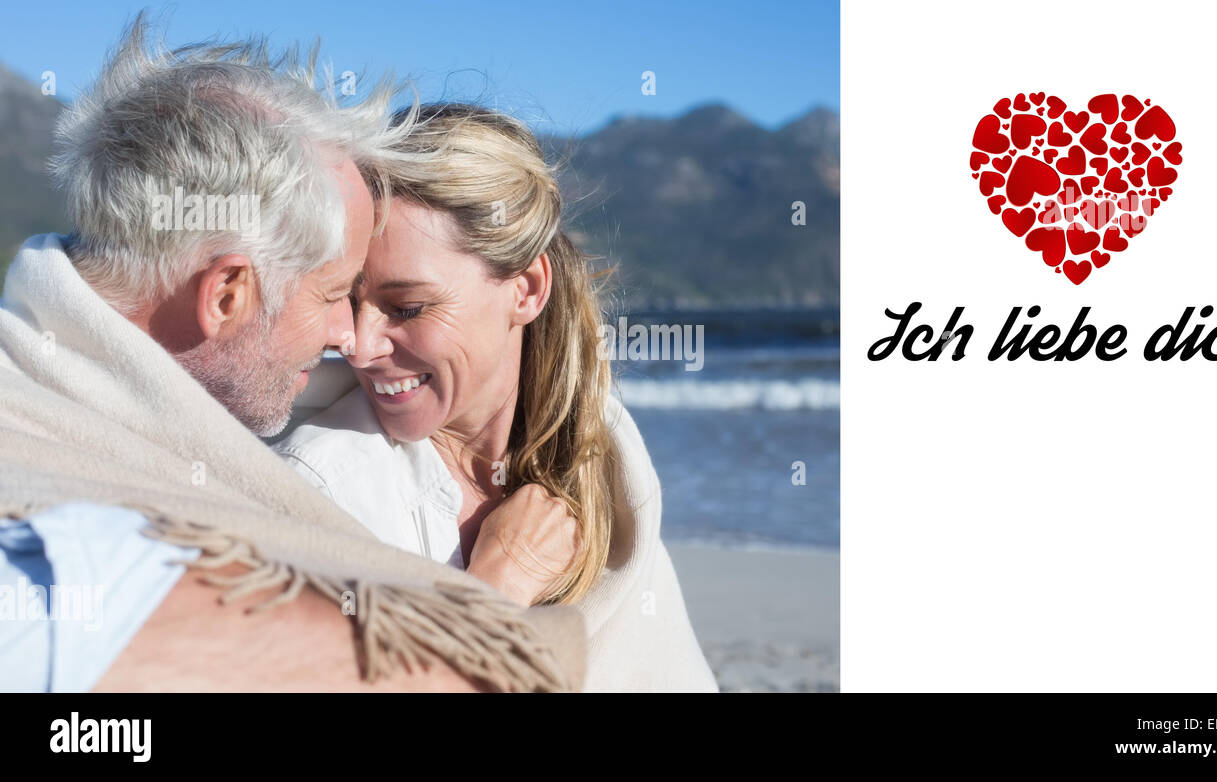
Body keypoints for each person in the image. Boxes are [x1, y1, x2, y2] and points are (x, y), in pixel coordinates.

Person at [0, 17, 584, 693]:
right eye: (337, 294)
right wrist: (494, 597)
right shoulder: (68, 556)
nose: (349, 339)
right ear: (227, 294)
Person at [274, 104, 717, 691]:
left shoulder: (608, 462)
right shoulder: (321, 490)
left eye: (407, 307)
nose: (359, 346)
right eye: (351, 301)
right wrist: (497, 585)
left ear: (526, 289)